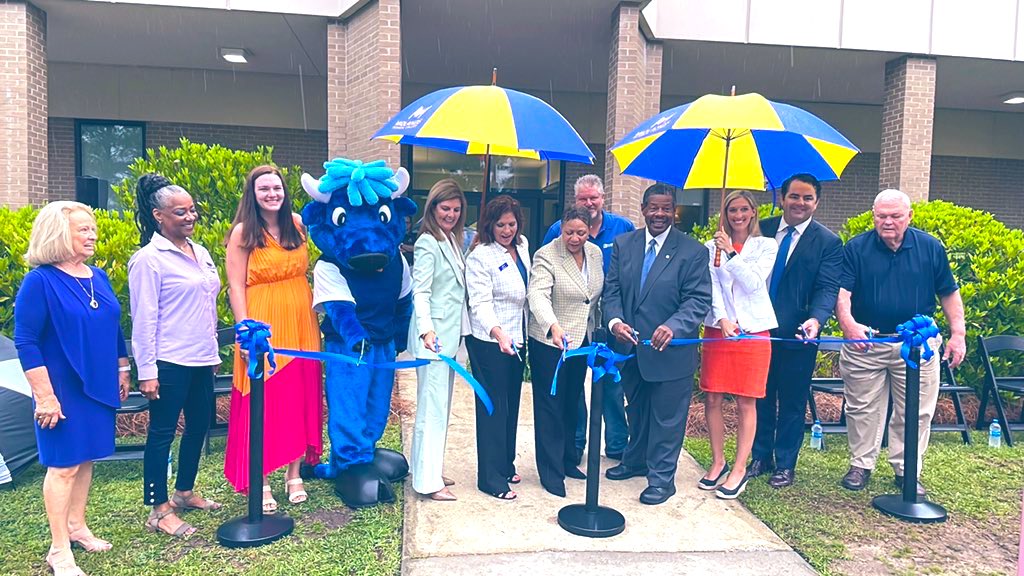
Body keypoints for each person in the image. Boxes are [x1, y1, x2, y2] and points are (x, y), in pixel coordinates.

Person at [14, 202, 130, 575]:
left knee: (85, 458)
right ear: (59, 234)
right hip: (61, 387)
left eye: (92, 228)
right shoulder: (40, 281)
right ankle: (59, 548)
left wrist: (122, 366)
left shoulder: (97, 275)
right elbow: (26, 341)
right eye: (83, 229)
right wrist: (44, 396)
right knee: (63, 466)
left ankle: (77, 527)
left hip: (97, 382)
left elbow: (113, 325)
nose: (92, 235)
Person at [837, 189, 967, 495]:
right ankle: (861, 465)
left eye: (895, 216)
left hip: (917, 345)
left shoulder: (930, 247)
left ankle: (906, 470)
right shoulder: (856, 248)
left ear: (909, 216)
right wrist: (848, 325)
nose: (888, 222)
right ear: (873, 216)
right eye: (881, 216)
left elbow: (948, 292)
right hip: (866, 344)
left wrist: (958, 334)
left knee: (918, 410)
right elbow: (842, 292)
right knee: (861, 408)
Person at [603, 184, 712, 505]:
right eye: (654, 207)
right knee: (636, 411)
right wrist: (615, 322)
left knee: (667, 419)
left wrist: (674, 326)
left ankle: (662, 479)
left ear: (674, 211)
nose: (659, 214)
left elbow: (698, 299)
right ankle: (635, 460)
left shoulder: (693, 251)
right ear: (643, 208)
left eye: (666, 208)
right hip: (630, 349)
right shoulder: (625, 244)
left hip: (670, 353)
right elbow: (612, 291)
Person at [223, 165, 323, 512]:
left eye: (276, 188)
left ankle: (293, 472)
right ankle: (260, 475)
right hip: (263, 318)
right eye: (263, 189)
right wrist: (244, 329)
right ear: (252, 194)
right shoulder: (242, 233)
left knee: (298, 394)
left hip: (301, 317)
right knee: (263, 399)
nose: (271, 194)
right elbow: (236, 285)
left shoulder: (297, 223)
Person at [128, 174, 223, 538]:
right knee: (162, 433)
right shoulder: (148, 260)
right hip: (168, 361)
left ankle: (184, 492)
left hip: (200, 358)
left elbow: (207, 307)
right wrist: (147, 370)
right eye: (180, 212)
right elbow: (145, 317)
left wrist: (212, 350)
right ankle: (159, 508)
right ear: (158, 216)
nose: (190, 217)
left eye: (193, 210)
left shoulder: (200, 252)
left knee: (200, 426)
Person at [751, 173, 843, 488]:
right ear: (782, 198)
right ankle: (760, 456)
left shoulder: (828, 242)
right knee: (759, 396)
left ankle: (785, 464)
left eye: (807, 198)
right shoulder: (760, 230)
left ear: (816, 203)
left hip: (799, 335)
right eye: (794, 196)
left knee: (791, 400)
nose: (799, 203)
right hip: (758, 332)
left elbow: (828, 288)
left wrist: (817, 319)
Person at [542, 174, 635, 464]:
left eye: (594, 197)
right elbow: (546, 268)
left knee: (611, 384)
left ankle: (617, 444)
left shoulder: (623, 227)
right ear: (575, 201)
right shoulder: (557, 230)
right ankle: (577, 442)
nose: (589, 202)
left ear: (603, 198)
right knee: (575, 390)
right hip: (570, 326)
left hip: (611, 320)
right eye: (583, 198)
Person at [698, 190, 778, 499]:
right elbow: (713, 287)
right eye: (732, 209)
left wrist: (732, 252)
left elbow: (754, 283)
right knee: (713, 398)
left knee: (747, 400)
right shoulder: (710, 247)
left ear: (754, 213)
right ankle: (718, 461)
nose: (738, 215)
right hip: (719, 330)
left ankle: (740, 468)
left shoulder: (765, 246)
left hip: (753, 331)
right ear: (725, 213)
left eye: (744, 209)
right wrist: (721, 320)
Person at [527, 207, 604, 497]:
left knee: (573, 402)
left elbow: (592, 297)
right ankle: (550, 472)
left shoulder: (595, 254)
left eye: (580, 233)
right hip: (551, 342)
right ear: (561, 229)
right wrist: (553, 326)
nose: (574, 238)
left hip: (581, 340)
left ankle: (569, 460)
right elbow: (537, 294)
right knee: (551, 407)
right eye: (569, 232)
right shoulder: (547, 254)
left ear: (590, 230)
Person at [465, 195, 531, 501]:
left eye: (511, 223)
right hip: (489, 342)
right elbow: (479, 303)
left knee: (511, 405)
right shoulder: (481, 255)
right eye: (500, 224)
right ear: (489, 225)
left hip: (519, 339)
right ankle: (489, 478)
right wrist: (498, 333)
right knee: (493, 408)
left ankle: (506, 463)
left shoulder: (523, 247)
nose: (506, 230)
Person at [409, 179, 469, 501]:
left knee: (440, 409)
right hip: (433, 340)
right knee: (431, 410)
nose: (451, 214)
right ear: (433, 208)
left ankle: (428, 469)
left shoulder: (452, 240)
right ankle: (429, 483)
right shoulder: (427, 243)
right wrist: (426, 331)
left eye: (456, 209)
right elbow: (422, 292)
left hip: (449, 337)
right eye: (445, 208)